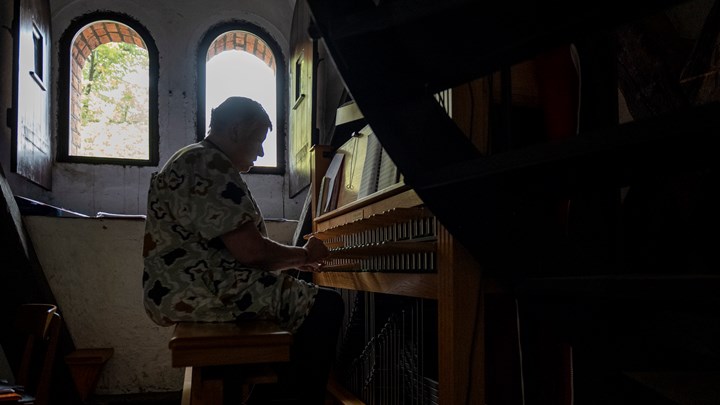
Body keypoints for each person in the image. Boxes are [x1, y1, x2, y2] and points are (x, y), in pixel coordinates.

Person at [142, 96, 343, 404]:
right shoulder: (208, 162)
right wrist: (305, 255)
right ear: (236, 130)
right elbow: (251, 253)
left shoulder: (194, 158)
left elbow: (237, 252)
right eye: (259, 141)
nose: (261, 152)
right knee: (326, 306)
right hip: (203, 290)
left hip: (187, 286)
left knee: (297, 305)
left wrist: (293, 262)